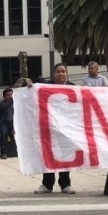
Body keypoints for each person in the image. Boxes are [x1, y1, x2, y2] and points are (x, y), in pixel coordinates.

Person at [35, 62, 76, 194]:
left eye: (63, 71)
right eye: (58, 71)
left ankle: (65, 184)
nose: (61, 74)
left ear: (67, 73)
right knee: (49, 154)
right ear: (54, 74)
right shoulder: (46, 87)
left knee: (65, 155)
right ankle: (47, 184)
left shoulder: (73, 88)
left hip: (67, 128)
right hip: (50, 127)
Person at [0, 87, 15, 160]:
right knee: (3, 133)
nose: (10, 96)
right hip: (4, 123)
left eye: (11, 94)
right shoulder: (1, 103)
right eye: (8, 95)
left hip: (13, 123)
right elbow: (5, 107)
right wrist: (11, 100)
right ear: (4, 96)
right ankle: (3, 153)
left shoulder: (15, 104)